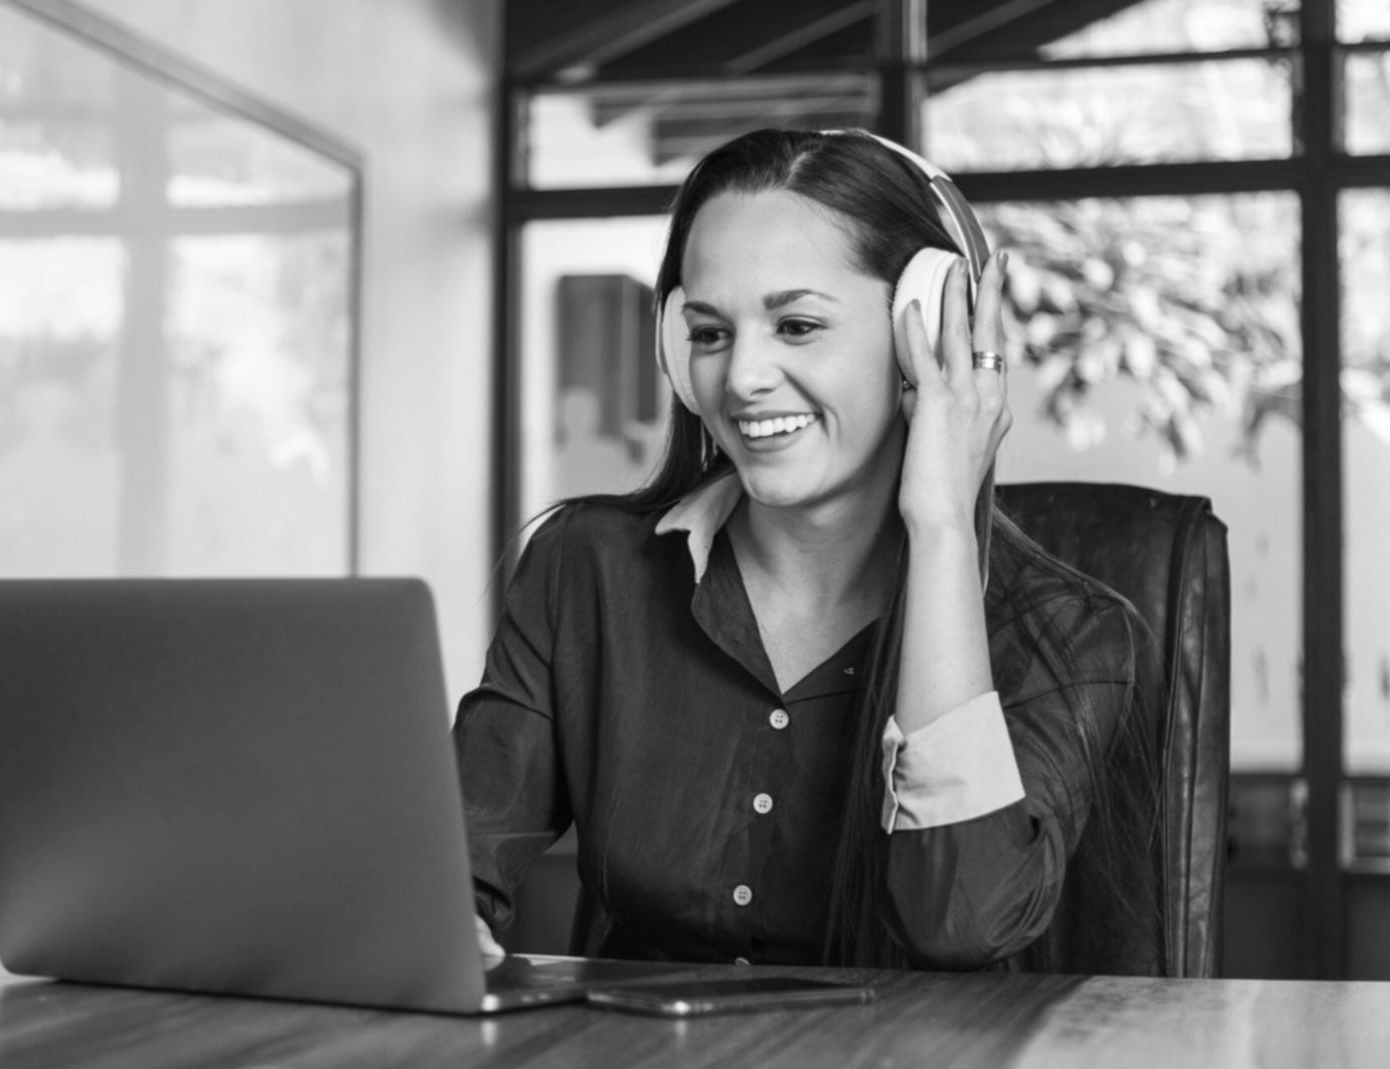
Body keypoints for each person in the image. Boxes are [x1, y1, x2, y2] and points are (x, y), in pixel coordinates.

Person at [454, 128, 1163, 973]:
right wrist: (440, 931)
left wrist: (940, 525)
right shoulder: (586, 568)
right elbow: (445, 866)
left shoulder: (1069, 635)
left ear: (928, 336)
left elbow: (960, 921)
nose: (742, 376)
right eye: (711, 333)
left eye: (795, 325)